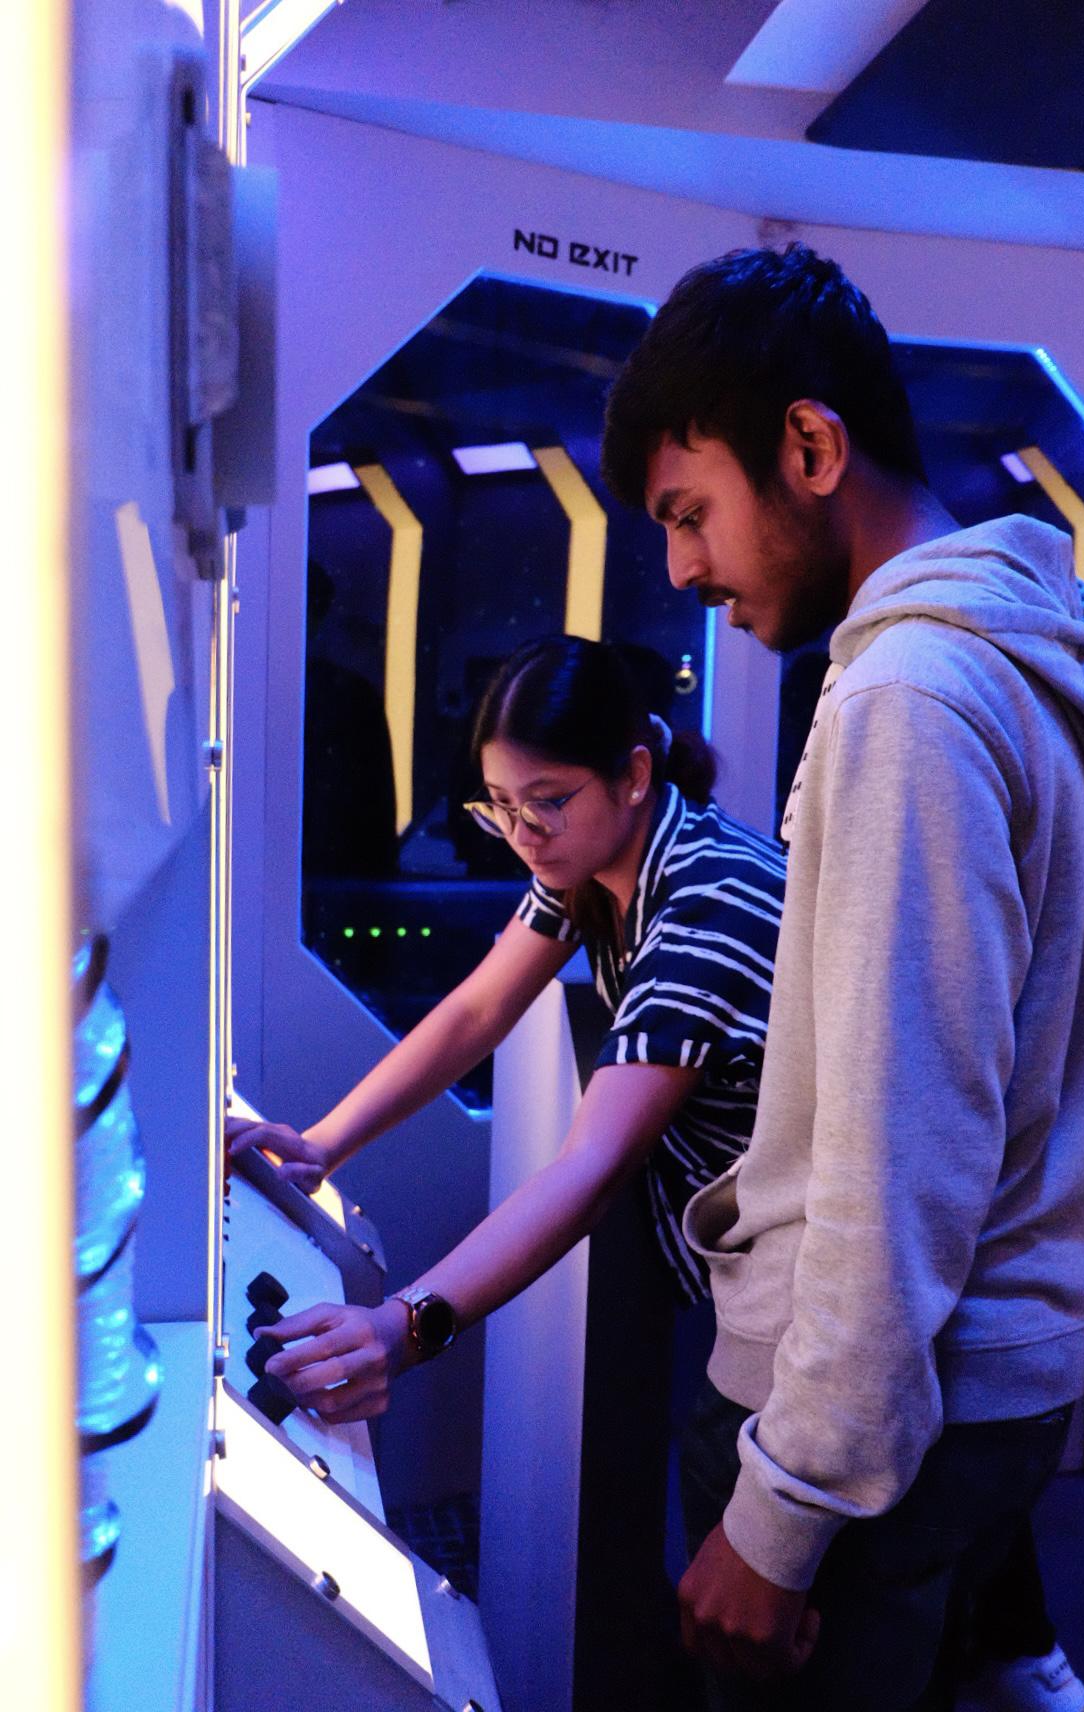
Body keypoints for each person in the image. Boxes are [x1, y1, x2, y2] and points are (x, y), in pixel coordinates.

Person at [600, 242, 1084, 1712]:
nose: (683, 572)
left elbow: (902, 1150)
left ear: (810, 444)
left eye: (688, 511)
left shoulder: (910, 698)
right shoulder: (1038, 662)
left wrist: (778, 1517)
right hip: (994, 1386)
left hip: (864, 1428)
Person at [228, 634, 788, 1704]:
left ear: (634, 773)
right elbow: (479, 1007)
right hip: (744, 1281)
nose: (523, 833)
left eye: (546, 801)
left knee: (763, 1633)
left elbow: (590, 1160)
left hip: (799, 1305)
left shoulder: (703, 899)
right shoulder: (592, 860)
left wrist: (406, 1321)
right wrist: (323, 1143)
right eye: (498, 806)